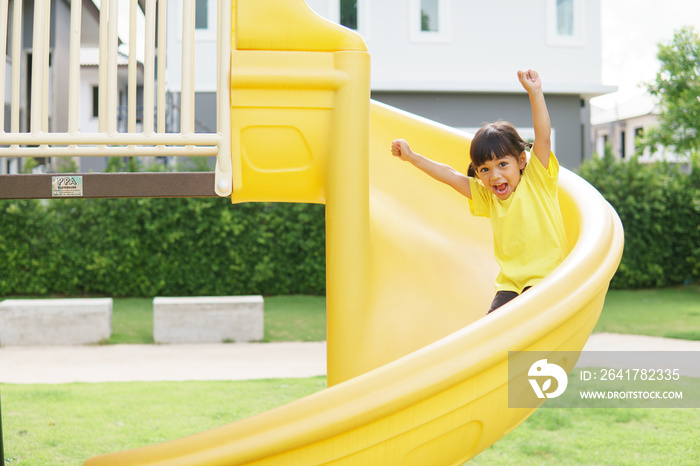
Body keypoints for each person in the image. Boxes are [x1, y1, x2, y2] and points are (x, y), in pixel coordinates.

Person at [390, 69, 570, 314]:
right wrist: (411, 157)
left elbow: (543, 137)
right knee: (493, 331)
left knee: (529, 331)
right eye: (484, 169)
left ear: (520, 161)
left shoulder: (537, 180)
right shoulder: (488, 196)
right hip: (510, 285)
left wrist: (535, 92)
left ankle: (538, 354)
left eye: (502, 165)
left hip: (546, 279)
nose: (494, 176)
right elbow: (450, 176)